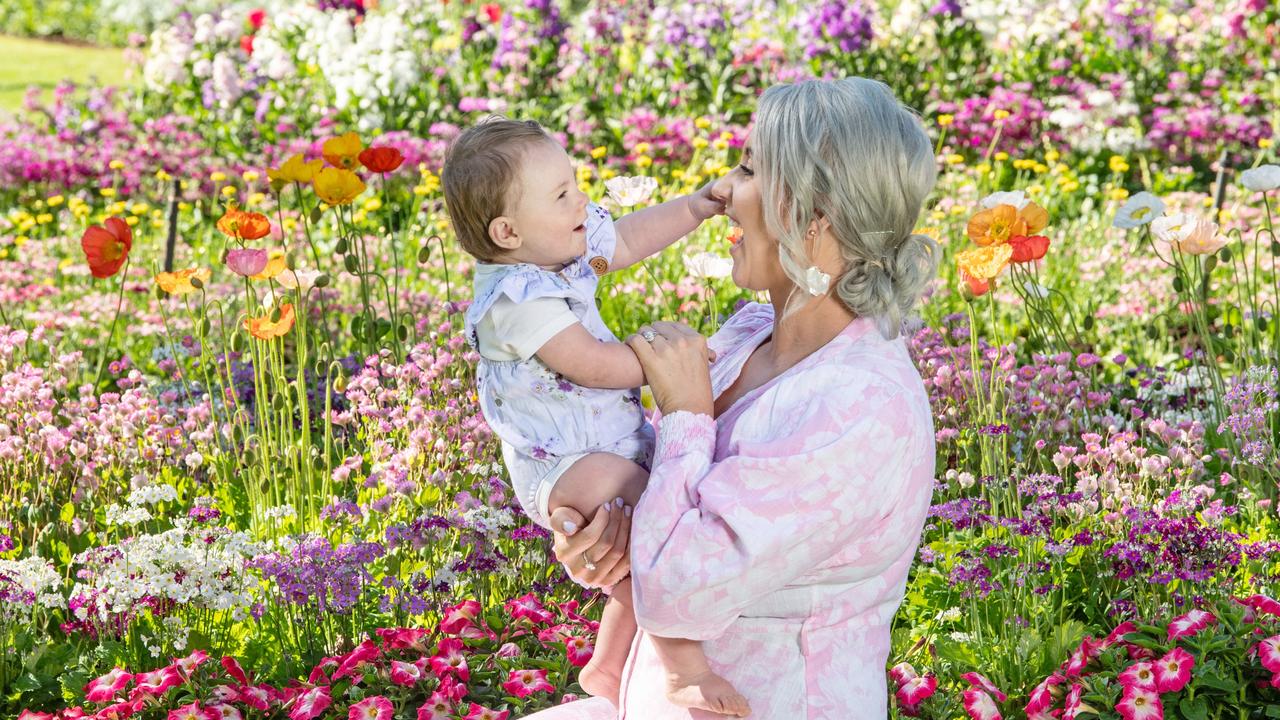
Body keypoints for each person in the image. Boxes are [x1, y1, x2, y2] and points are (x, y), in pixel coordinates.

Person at [528, 77, 940, 719]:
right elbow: (668, 518)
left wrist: (689, 414)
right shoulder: (752, 333)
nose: (725, 191)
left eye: (750, 168)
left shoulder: (861, 405)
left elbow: (683, 588)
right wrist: (607, 544)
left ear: (812, 218)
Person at [442, 118, 751, 715]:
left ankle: (608, 667)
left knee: (640, 552)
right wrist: (667, 361)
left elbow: (630, 240)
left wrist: (694, 208)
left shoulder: (558, 246)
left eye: (574, 184)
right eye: (562, 194)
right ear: (507, 232)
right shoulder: (515, 300)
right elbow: (591, 366)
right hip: (567, 464)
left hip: (601, 445)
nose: (582, 198)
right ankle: (683, 671)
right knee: (665, 520)